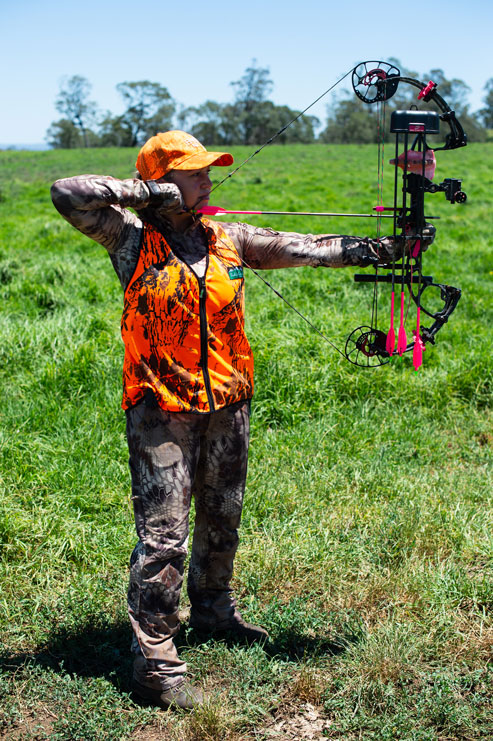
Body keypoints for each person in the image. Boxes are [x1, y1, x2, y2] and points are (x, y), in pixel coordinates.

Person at [51, 130, 421, 710]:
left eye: (208, 172)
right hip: (161, 406)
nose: (208, 180)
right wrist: (149, 195)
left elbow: (313, 247)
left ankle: (215, 612)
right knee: (164, 535)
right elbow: (68, 192)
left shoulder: (228, 237)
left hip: (227, 401)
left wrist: (391, 248)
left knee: (222, 514)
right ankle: (156, 662)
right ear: (163, 178)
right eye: (195, 172)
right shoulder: (129, 238)